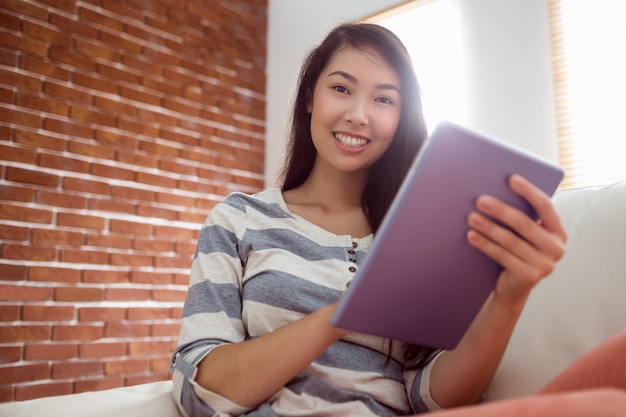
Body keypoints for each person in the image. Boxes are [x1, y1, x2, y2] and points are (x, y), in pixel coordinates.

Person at [170, 23, 626, 416]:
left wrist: (509, 297)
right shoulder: (239, 219)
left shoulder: (421, 235)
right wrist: (345, 313)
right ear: (311, 95)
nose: (358, 115)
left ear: (402, 117)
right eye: (341, 88)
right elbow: (202, 390)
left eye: (384, 100)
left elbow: (431, 398)